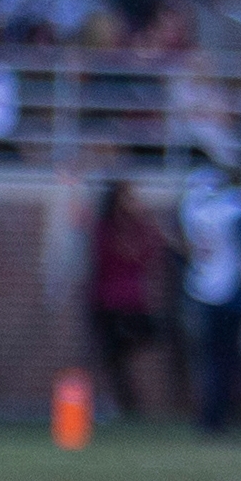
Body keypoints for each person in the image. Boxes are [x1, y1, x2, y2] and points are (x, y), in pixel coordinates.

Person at [178, 150, 241, 435]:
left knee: (210, 360)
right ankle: (215, 418)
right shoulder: (233, 209)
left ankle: (210, 416)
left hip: (200, 286)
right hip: (227, 291)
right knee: (223, 360)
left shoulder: (195, 208)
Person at [86, 179, 166, 421]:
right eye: (129, 198)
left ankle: (130, 405)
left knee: (143, 343)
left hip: (134, 303)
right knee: (112, 358)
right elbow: (108, 258)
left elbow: (150, 251)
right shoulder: (105, 229)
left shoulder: (140, 228)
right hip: (109, 302)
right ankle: (122, 406)